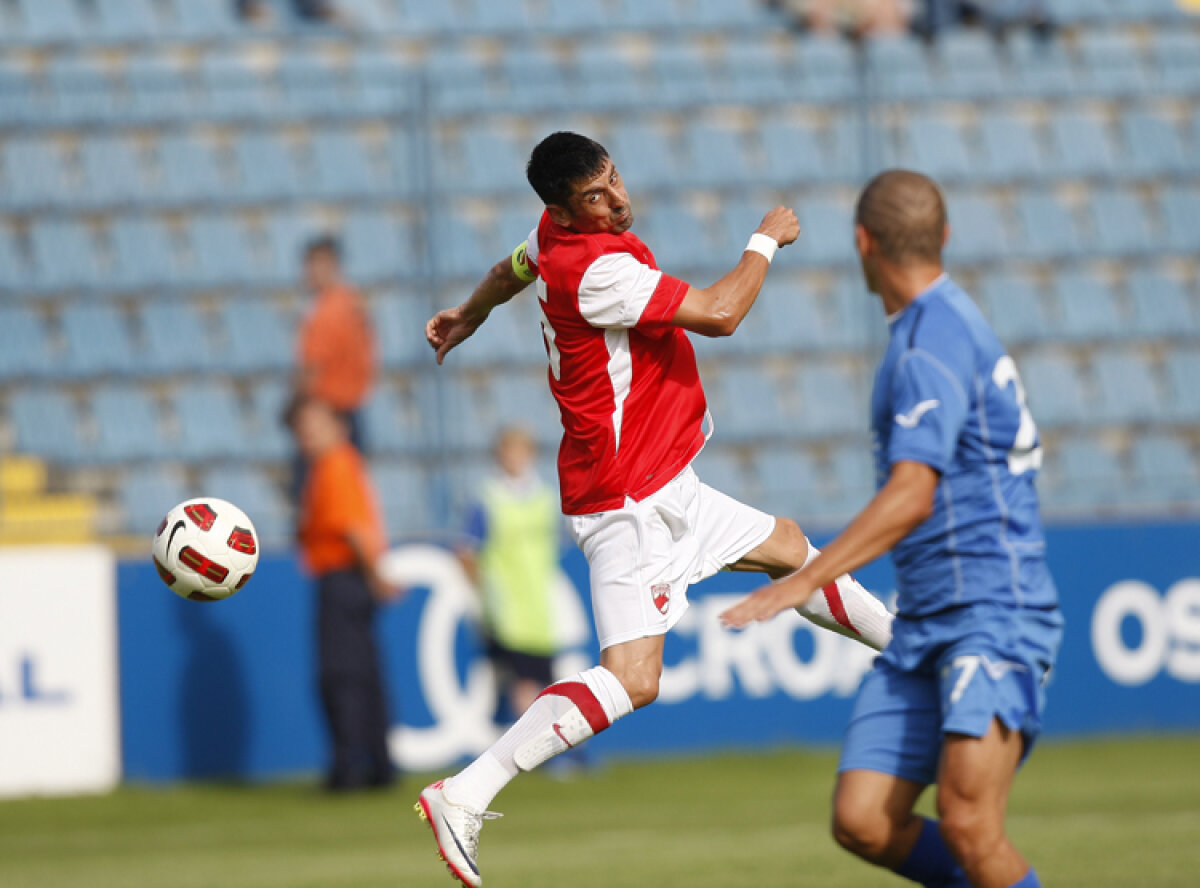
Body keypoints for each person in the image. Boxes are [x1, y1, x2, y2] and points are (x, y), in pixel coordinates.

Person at [415, 130, 894, 887]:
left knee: (791, 548)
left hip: (663, 481)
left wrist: (470, 314)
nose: (615, 202)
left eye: (612, 181)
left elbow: (513, 268)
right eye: (594, 199)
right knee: (634, 679)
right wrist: (764, 241)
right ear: (564, 213)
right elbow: (721, 313)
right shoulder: (597, 268)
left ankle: (917, 651)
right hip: (627, 499)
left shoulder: (551, 236)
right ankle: (464, 793)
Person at [721, 170, 1062, 888]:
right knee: (864, 818)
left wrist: (804, 579)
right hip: (928, 623)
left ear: (861, 243)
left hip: (991, 612)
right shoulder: (934, 328)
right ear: (944, 237)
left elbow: (911, 493)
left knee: (971, 823)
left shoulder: (929, 344)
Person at [287, 393, 400, 792]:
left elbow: (353, 530)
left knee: (343, 676)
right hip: (350, 577)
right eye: (301, 427)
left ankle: (348, 765)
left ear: (339, 426)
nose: (305, 434)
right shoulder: (334, 465)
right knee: (364, 672)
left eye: (314, 425)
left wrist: (374, 578)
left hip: (343, 577)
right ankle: (378, 762)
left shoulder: (335, 464)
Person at [457, 426, 565, 727]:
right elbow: (467, 552)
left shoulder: (545, 497)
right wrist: (485, 593)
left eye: (520, 450)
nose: (514, 458)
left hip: (540, 605)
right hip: (508, 607)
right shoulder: (487, 499)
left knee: (544, 677)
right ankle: (539, 744)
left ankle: (550, 743)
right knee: (524, 679)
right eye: (508, 451)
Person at [295, 234, 376, 454]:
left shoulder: (325, 311)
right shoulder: (354, 303)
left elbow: (312, 369)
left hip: (328, 416)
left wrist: (295, 407)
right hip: (353, 411)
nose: (309, 272)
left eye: (314, 264)